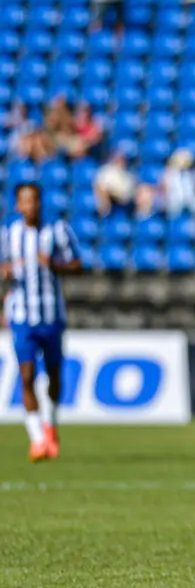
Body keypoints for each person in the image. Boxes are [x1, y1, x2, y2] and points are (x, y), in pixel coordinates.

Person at [0, 183, 83, 462]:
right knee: (26, 375)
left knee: (55, 377)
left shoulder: (56, 230)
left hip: (51, 316)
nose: (30, 206)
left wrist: (54, 264)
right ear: (17, 206)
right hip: (22, 317)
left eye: (34, 201)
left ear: (39, 203)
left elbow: (77, 264)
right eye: (25, 201)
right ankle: (37, 439)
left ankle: (50, 423)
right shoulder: (8, 234)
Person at [160, 149, 195, 221]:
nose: (182, 164)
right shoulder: (169, 174)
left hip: (192, 203)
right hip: (174, 203)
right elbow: (164, 191)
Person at [94, 150, 137, 217]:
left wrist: (112, 191)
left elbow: (125, 197)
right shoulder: (105, 170)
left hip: (120, 207)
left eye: (121, 159)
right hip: (104, 203)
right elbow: (99, 186)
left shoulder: (128, 176)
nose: (119, 162)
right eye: (117, 159)